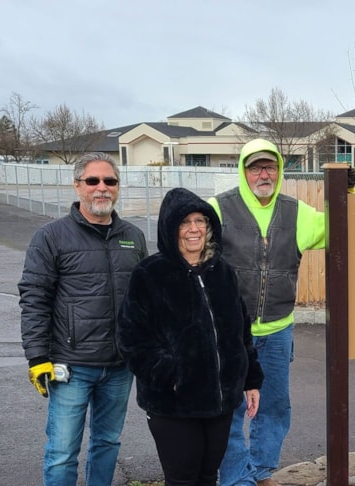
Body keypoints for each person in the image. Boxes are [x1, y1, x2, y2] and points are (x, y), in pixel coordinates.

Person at [210, 138, 355, 486]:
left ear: (279, 169)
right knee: (229, 410)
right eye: (256, 167)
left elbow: (340, 226)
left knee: (274, 408)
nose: (264, 173)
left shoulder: (296, 212)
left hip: (277, 332)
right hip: (229, 332)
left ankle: (261, 473)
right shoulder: (219, 209)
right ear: (244, 171)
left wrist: (346, 194)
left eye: (270, 166)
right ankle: (234, 477)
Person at [117, 187, 264, 486]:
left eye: (200, 221)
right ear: (171, 228)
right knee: (183, 479)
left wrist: (250, 380)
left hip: (220, 402)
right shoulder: (150, 274)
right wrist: (171, 375)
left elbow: (241, 330)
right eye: (185, 222)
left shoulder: (222, 271)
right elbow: (132, 340)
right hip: (174, 404)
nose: (194, 229)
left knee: (208, 476)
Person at [18, 152, 148, 486]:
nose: (102, 188)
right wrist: (37, 356)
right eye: (93, 181)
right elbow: (34, 297)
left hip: (120, 368)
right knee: (62, 453)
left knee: (107, 443)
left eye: (110, 181)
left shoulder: (133, 236)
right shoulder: (51, 237)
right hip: (71, 367)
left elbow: (145, 300)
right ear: (78, 186)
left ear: (118, 188)